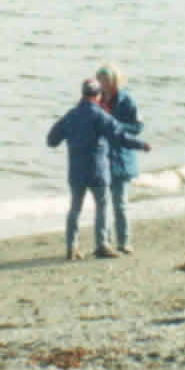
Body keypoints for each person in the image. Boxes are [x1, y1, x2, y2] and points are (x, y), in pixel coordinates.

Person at [47, 78, 150, 261]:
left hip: (76, 170)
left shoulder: (71, 115)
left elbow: (51, 140)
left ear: (83, 94)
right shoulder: (100, 115)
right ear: (98, 95)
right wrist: (141, 145)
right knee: (102, 206)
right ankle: (101, 244)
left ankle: (72, 247)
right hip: (97, 169)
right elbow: (120, 137)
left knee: (75, 209)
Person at [95, 63, 143, 255]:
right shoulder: (94, 100)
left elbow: (138, 127)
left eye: (106, 80)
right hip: (100, 157)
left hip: (122, 157)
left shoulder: (127, 100)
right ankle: (104, 243)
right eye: (100, 80)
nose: (103, 83)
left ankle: (124, 242)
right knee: (102, 203)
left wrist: (115, 125)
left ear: (115, 80)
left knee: (120, 202)